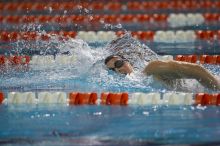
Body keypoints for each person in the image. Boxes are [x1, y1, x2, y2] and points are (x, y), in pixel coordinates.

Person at [104, 34, 220, 91]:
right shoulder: (137, 83)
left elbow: (196, 70)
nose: (118, 69)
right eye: (112, 70)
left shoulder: (151, 68)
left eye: (118, 64)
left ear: (127, 61)